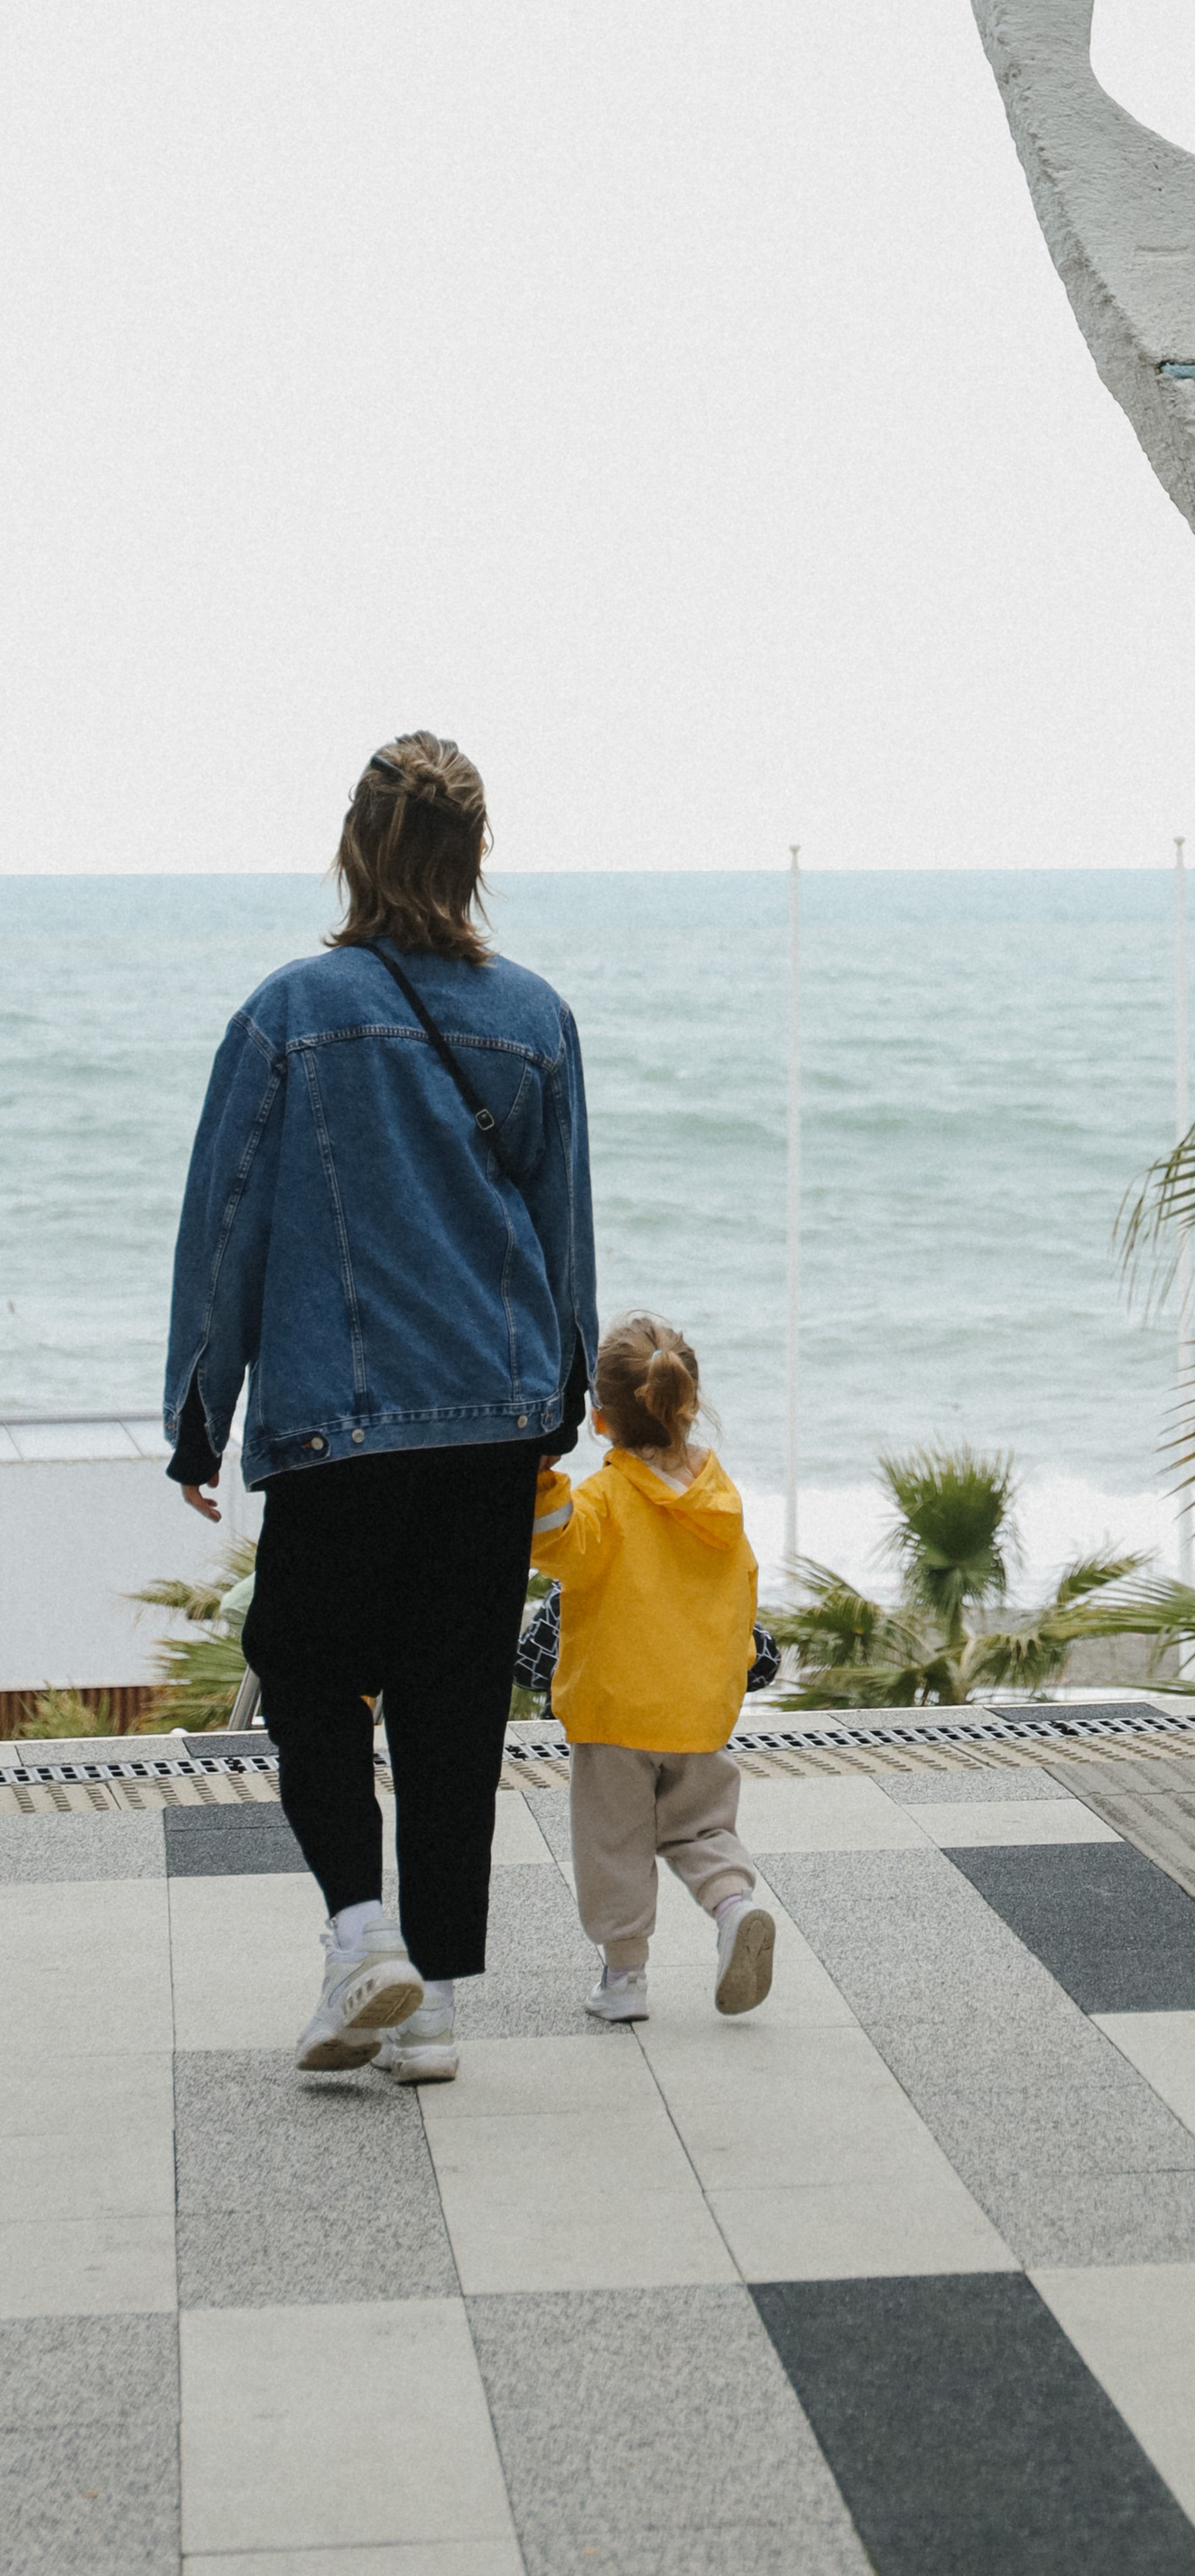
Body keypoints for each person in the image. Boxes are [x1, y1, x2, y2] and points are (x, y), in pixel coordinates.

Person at [165, 734, 597, 2077]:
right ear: (474, 863)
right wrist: (562, 1389)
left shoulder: (290, 1011)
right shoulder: (533, 1017)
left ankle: (364, 1941)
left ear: (355, 848)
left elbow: (227, 1221)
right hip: (492, 1411)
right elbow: (561, 1226)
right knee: (456, 1698)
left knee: (303, 1668)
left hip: (342, 1417)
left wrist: (200, 1406)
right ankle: (442, 2006)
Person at [526, 1311, 777, 2025]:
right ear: (688, 1405)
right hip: (698, 1707)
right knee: (700, 1829)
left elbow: (552, 1547)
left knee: (615, 1844)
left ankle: (625, 1981)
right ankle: (733, 1909)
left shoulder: (604, 1500)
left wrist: (542, 1476)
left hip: (615, 1709)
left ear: (600, 1421)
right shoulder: (720, 1499)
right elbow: (744, 1588)